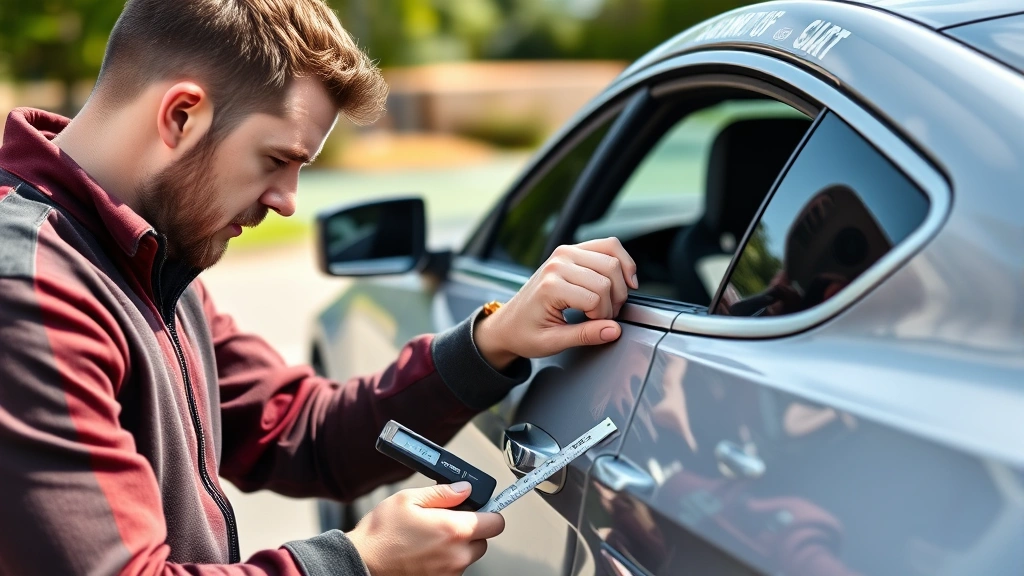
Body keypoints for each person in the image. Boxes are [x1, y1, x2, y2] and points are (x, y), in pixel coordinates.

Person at [0, 1, 639, 575]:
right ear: (182, 115)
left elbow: (303, 431)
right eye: (277, 160)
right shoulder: (29, 291)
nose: (286, 202)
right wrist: (354, 563)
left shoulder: (148, 252)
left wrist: (491, 341)